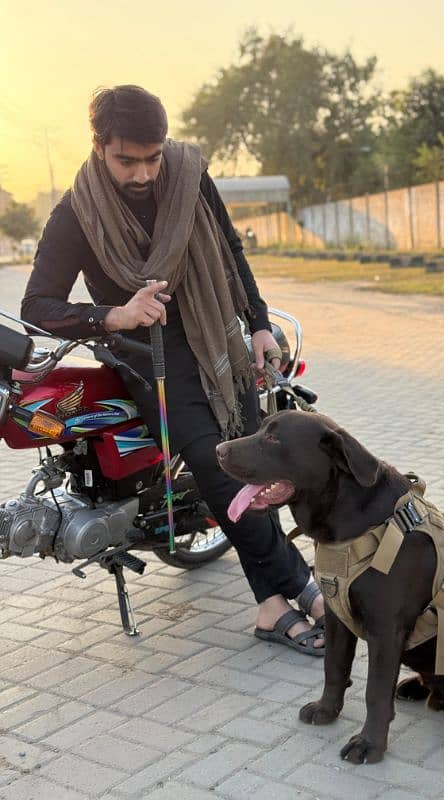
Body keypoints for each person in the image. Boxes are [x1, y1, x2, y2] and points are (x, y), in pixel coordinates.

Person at [21, 84, 325, 655]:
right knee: (223, 469)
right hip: (144, 357)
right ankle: (301, 590)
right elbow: (37, 305)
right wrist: (115, 314)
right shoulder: (76, 213)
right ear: (99, 147)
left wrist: (258, 323)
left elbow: (230, 251)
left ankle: (271, 606)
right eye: (126, 160)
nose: (142, 173)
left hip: (215, 340)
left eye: (152, 157)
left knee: (247, 468)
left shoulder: (188, 174)